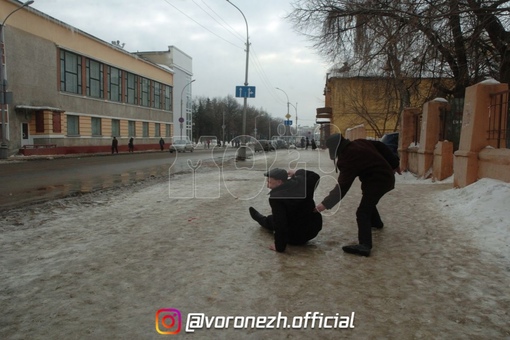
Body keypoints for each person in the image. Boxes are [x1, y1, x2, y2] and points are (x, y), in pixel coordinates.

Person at [315, 133, 401, 257]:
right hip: (384, 178)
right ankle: (376, 223)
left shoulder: (348, 158)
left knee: (362, 212)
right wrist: (394, 163)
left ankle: (365, 245)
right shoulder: (359, 142)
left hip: (378, 181)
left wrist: (325, 204)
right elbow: (381, 145)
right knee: (369, 200)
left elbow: (342, 187)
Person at [249, 168, 323, 253]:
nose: (267, 186)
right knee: (281, 217)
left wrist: (279, 247)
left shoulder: (276, 198)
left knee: (273, 220)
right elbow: (315, 176)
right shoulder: (302, 182)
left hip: (294, 237)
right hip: (312, 230)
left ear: (279, 182)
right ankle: (263, 219)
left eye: (269, 182)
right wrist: (297, 172)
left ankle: (261, 219)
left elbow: (280, 224)